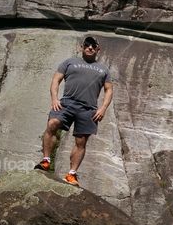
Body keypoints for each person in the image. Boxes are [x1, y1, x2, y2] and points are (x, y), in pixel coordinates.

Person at [34, 36, 113, 186]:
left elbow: (109, 90)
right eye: (87, 45)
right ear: (81, 47)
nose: (90, 47)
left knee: (81, 141)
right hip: (67, 103)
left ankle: (71, 174)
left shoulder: (104, 69)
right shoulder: (70, 62)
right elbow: (55, 80)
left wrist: (103, 108)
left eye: (93, 46)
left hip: (88, 109)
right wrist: (54, 99)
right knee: (53, 124)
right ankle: (46, 161)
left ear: (98, 49)